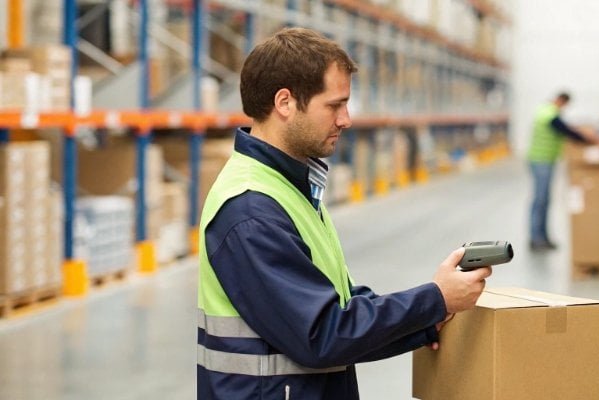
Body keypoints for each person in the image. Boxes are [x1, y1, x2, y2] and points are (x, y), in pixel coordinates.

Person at [196, 27, 492, 399]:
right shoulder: (252, 209)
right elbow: (321, 335)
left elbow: (343, 305)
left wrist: (427, 320)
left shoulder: (291, 188)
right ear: (285, 103)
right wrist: (435, 299)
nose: (346, 119)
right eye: (334, 105)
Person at [527, 92, 597, 251]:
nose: (564, 108)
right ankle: (536, 239)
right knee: (540, 200)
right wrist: (586, 139)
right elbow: (563, 129)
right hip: (540, 160)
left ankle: (542, 237)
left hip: (545, 160)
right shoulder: (548, 112)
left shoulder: (548, 110)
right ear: (560, 100)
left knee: (545, 200)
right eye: (564, 105)